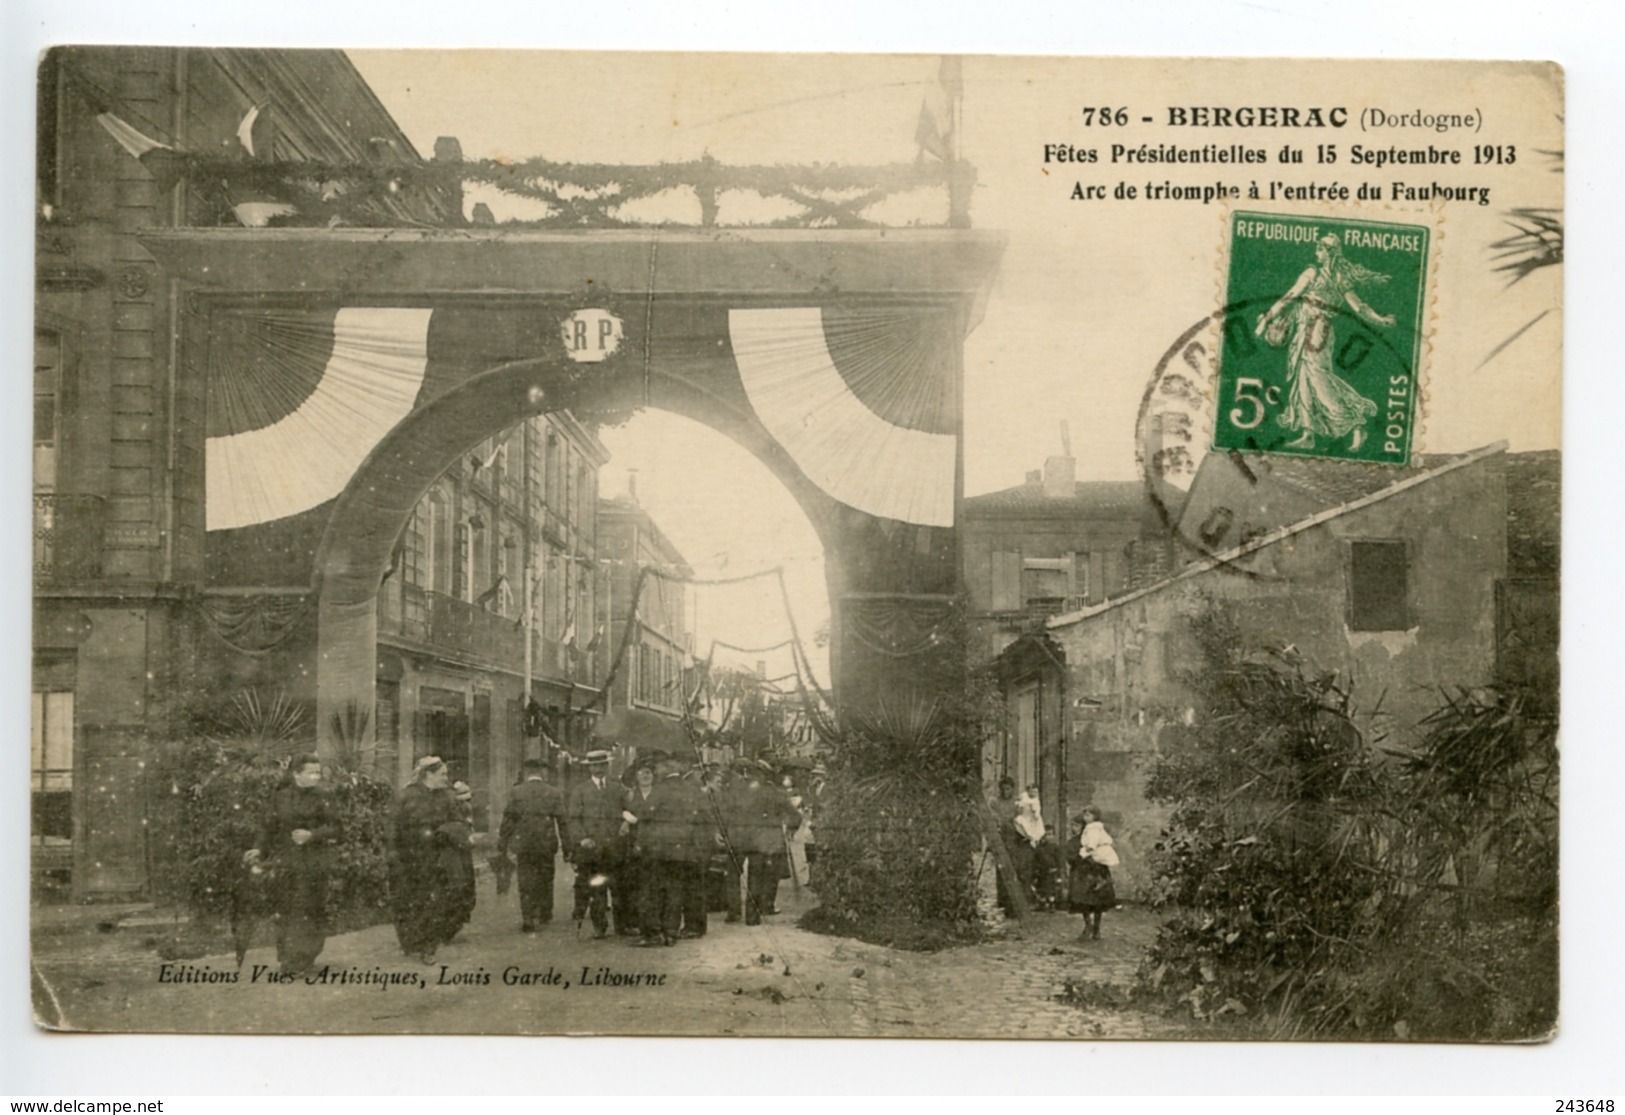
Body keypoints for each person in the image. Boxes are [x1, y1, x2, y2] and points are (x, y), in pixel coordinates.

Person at [1254, 233, 1395, 451]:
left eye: (1319, 249)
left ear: (1329, 252)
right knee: (1303, 378)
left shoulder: (1339, 278)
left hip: (1320, 330)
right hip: (1302, 328)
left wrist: (1381, 320)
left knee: (1319, 379)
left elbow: (1359, 307)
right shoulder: (1312, 272)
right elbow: (1291, 296)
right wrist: (1267, 317)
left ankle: (1356, 424)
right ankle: (1308, 433)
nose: (1316, 253)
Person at [242, 754, 338, 976]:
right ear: (296, 774)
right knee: (286, 909)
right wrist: (259, 849)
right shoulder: (281, 797)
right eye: (311, 772)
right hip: (287, 862)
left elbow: (337, 828)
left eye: (318, 772)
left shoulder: (325, 797)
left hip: (314, 862)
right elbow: (268, 827)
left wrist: (311, 835)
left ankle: (305, 957)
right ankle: (288, 958)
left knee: (310, 910)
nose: (316, 776)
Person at [391, 756, 467, 965]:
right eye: (442, 774)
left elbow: (459, 822)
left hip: (437, 857)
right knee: (408, 901)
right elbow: (392, 827)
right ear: (428, 775)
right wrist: (393, 854)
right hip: (409, 857)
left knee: (435, 902)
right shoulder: (406, 796)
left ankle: (428, 948)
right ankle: (410, 942)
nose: (446, 778)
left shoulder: (447, 798)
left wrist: (446, 831)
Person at [622, 753, 690, 947]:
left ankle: (652, 934)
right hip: (678, 848)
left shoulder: (660, 790)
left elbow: (644, 815)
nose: (655, 770)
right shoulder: (688, 788)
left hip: (656, 849)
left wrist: (627, 815)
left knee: (651, 891)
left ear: (667, 767)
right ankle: (671, 932)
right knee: (674, 891)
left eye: (657, 767)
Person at [497, 758, 566, 932]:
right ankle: (544, 911)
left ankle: (527, 917)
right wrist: (568, 847)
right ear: (543, 772)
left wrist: (502, 844)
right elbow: (563, 822)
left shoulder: (516, 792)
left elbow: (508, 821)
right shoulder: (554, 792)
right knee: (546, 877)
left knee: (525, 879)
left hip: (524, 843)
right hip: (546, 843)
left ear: (527, 772)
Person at [565, 749, 626, 938]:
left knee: (619, 889)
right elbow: (573, 819)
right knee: (596, 889)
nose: (599, 769)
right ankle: (600, 926)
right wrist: (582, 838)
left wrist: (625, 822)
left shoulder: (618, 788)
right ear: (589, 768)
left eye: (602, 765)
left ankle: (622, 926)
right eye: (595, 765)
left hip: (615, 847)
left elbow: (628, 810)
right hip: (592, 850)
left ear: (607, 766)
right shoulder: (580, 791)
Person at [731, 760, 800, 925]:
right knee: (768, 877)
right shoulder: (777, 793)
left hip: (752, 840)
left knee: (754, 875)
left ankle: (752, 916)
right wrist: (791, 829)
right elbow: (796, 816)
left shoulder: (747, 793)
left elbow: (737, 814)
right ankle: (764, 907)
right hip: (771, 842)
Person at [1067, 807, 1120, 940]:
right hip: (1081, 874)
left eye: (1077, 825)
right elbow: (1071, 857)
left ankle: (1096, 928)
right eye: (1072, 825)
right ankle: (1088, 925)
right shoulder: (1073, 842)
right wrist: (1079, 859)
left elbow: (1102, 852)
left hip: (1097, 873)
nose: (1074, 828)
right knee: (1083, 902)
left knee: (1098, 902)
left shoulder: (1092, 835)